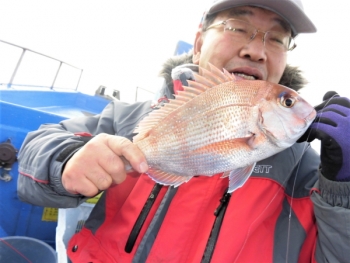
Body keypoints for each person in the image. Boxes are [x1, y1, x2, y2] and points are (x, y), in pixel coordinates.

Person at [17, 0, 350, 262]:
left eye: (276, 39)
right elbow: (37, 147)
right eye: (237, 27)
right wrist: (67, 160)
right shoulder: (127, 119)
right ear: (199, 42)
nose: (256, 50)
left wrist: (343, 190)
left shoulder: (312, 172)